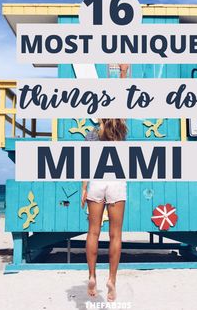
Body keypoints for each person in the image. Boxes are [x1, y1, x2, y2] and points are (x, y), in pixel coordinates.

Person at [81, 119, 128, 302]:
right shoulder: (121, 132)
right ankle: (112, 280)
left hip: (97, 182)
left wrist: (84, 188)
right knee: (115, 234)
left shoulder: (91, 135)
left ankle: (92, 275)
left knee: (93, 232)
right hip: (116, 182)